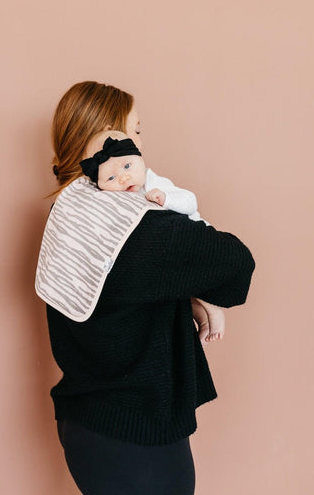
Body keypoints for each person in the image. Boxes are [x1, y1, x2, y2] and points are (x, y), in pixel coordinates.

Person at [39, 80, 256, 495]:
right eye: (134, 130)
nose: (140, 142)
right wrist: (202, 291)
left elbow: (125, 289)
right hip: (135, 436)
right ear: (105, 139)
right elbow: (235, 266)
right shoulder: (135, 227)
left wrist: (188, 292)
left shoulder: (68, 212)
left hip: (85, 422)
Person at [79, 128, 225, 345]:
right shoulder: (114, 201)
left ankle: (212, 308)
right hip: (164, 258)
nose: (123, 178)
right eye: (111, 178)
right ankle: (203, 319)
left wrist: (166, 199)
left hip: (190, 239)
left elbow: (191, 201)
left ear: (140, 159)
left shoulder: (152, 181)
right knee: (180, 294)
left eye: (127, 166)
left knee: (195, 285)